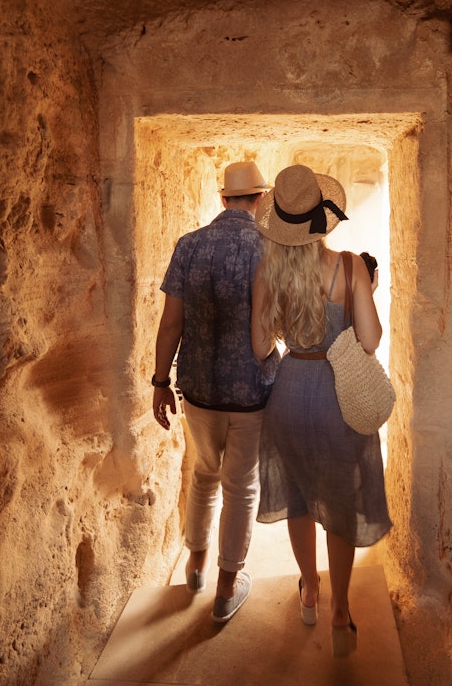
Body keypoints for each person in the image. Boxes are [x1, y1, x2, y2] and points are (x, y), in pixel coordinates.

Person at [250, 164, 391, 657]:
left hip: (291, 390)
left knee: (299, 498)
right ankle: (340, 611)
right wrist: (364, 296)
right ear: (320, 218)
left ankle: (309, 591)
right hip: (337, 394)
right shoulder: (350, 266)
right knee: (339, 501)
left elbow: (260, 345)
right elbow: (370, 342)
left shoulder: (268, 272)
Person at [151, 160, 275, 623]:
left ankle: (196, 569)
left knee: (203, 476)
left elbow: (171, 323)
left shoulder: (189, 245)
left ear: (223, 199)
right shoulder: (268, 247)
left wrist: (160, 381)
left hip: (198, 390)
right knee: (241, 486)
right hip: (251, 392)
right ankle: (226, 591)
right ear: (259, 200)